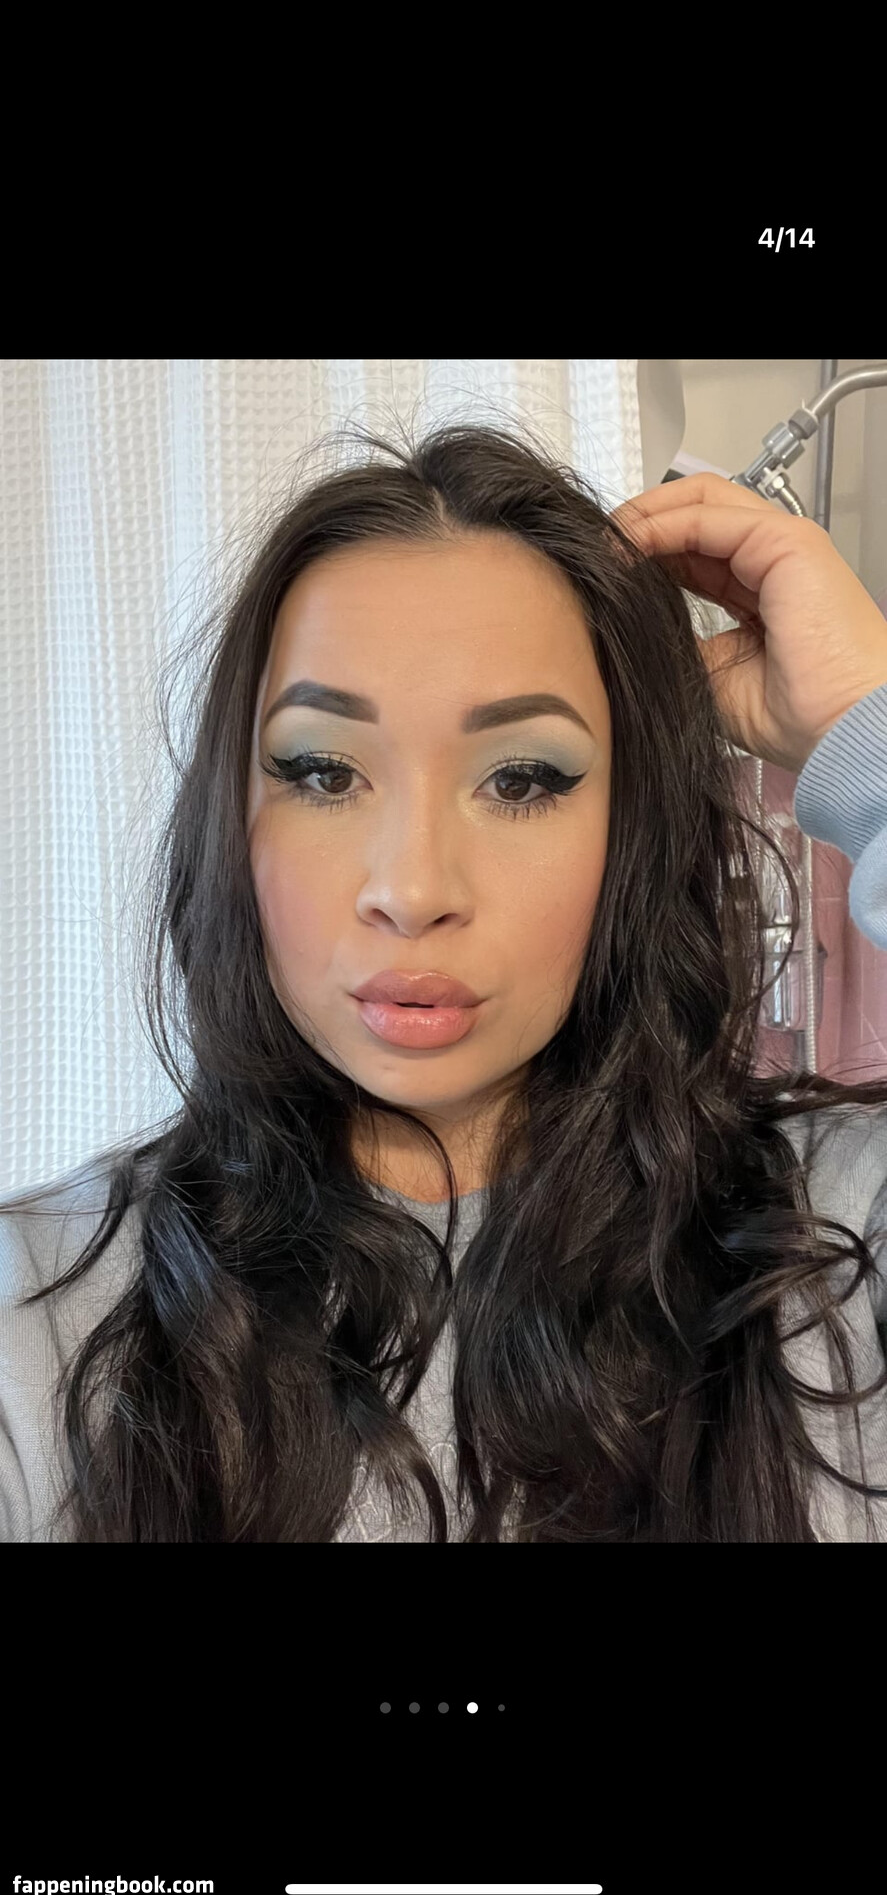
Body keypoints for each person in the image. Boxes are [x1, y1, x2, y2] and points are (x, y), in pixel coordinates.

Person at [2, 418, 887, 1543]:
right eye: (324, 771)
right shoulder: (36, 1315)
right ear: (233, 814)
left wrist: (867, 730)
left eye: (520, 780)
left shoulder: (838, 1245)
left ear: (632, 832)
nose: (412, 890)